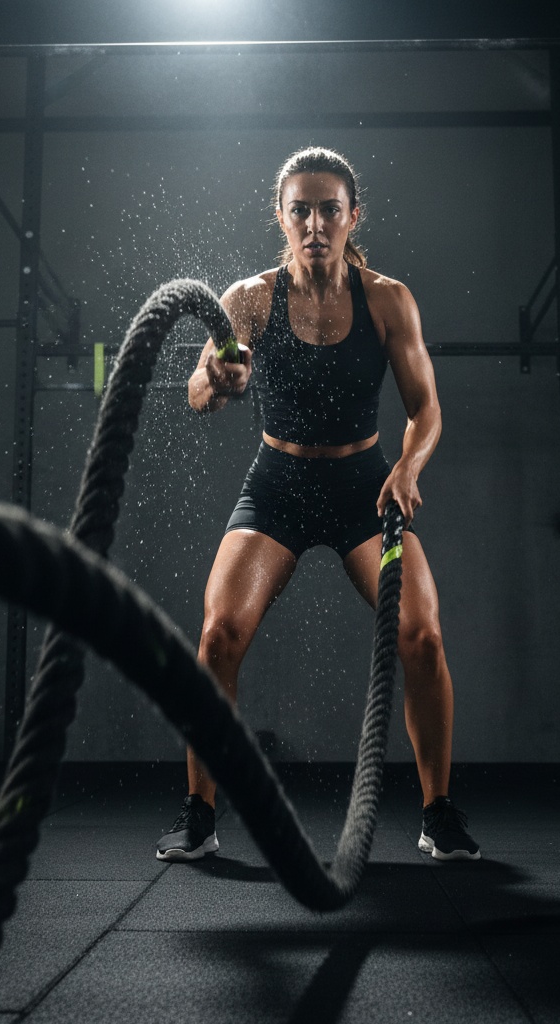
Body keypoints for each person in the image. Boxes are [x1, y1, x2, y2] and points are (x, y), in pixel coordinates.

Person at [156, 146, 479, 864]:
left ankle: (439, 814)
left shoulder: (388, 299)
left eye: (329, 208)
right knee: (217, 639)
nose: (314, 223)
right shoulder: (250, 298)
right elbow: (197, 391)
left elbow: (426, 409)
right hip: (277, 485)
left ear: (352, 216)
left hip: (363, 486)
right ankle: (198, 816)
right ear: (281, 216)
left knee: (422, 636)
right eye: (299, 209)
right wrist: (221, 379)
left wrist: (406, 466)